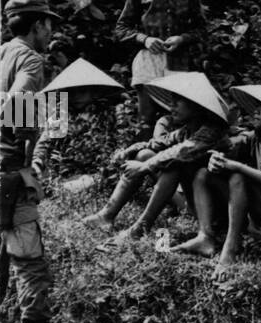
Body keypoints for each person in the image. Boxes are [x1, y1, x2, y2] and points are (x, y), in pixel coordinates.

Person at [173, 85, 261, 275]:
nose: (256, 111)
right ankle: (205, 236)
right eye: (256, 106)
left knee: (238, 176)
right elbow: (230, 147)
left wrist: (237, 166)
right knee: (203, 174)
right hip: (256, 211)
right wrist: (217, 158)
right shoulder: (256, 138)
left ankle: (230, 249)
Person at [83, 72, 230, 245]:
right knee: (144, 154)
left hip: (215, 208)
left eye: (178, 102)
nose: (171, 106)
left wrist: (144, 167)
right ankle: (107, 215)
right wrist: (130, 150)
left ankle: (140, 227)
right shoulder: (185, 130)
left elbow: (181, 152)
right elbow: (158, 143)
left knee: (173, 165)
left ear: (196, 106)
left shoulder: (212, 130)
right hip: (189, 202)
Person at [0, 0, 62, 323]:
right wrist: (21, 139)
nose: (50, 31)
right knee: (29, 260)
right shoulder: (31, 60)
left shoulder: (1, 52)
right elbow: (16, 104)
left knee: (1, 254)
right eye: (48, 23)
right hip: (11, 171)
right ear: (37, 25)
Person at [115, 0, 208, 137]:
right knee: (146, 119)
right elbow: (121, 28)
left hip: (180, 60)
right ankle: (143, 157)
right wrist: (145, 39)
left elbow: (202, 29)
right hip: (149, 60)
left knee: (180, 117)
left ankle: (174, 157)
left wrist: (182, 38)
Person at [29, 57, 125, 179]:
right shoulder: (61, 111)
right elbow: (46, 141)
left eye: (82, 92)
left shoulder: (107, 112)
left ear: (93, 91)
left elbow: (119, 143)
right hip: (65, 169)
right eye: (72, 92)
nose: (76, 96)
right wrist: (37, 161)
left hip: (100, 169)